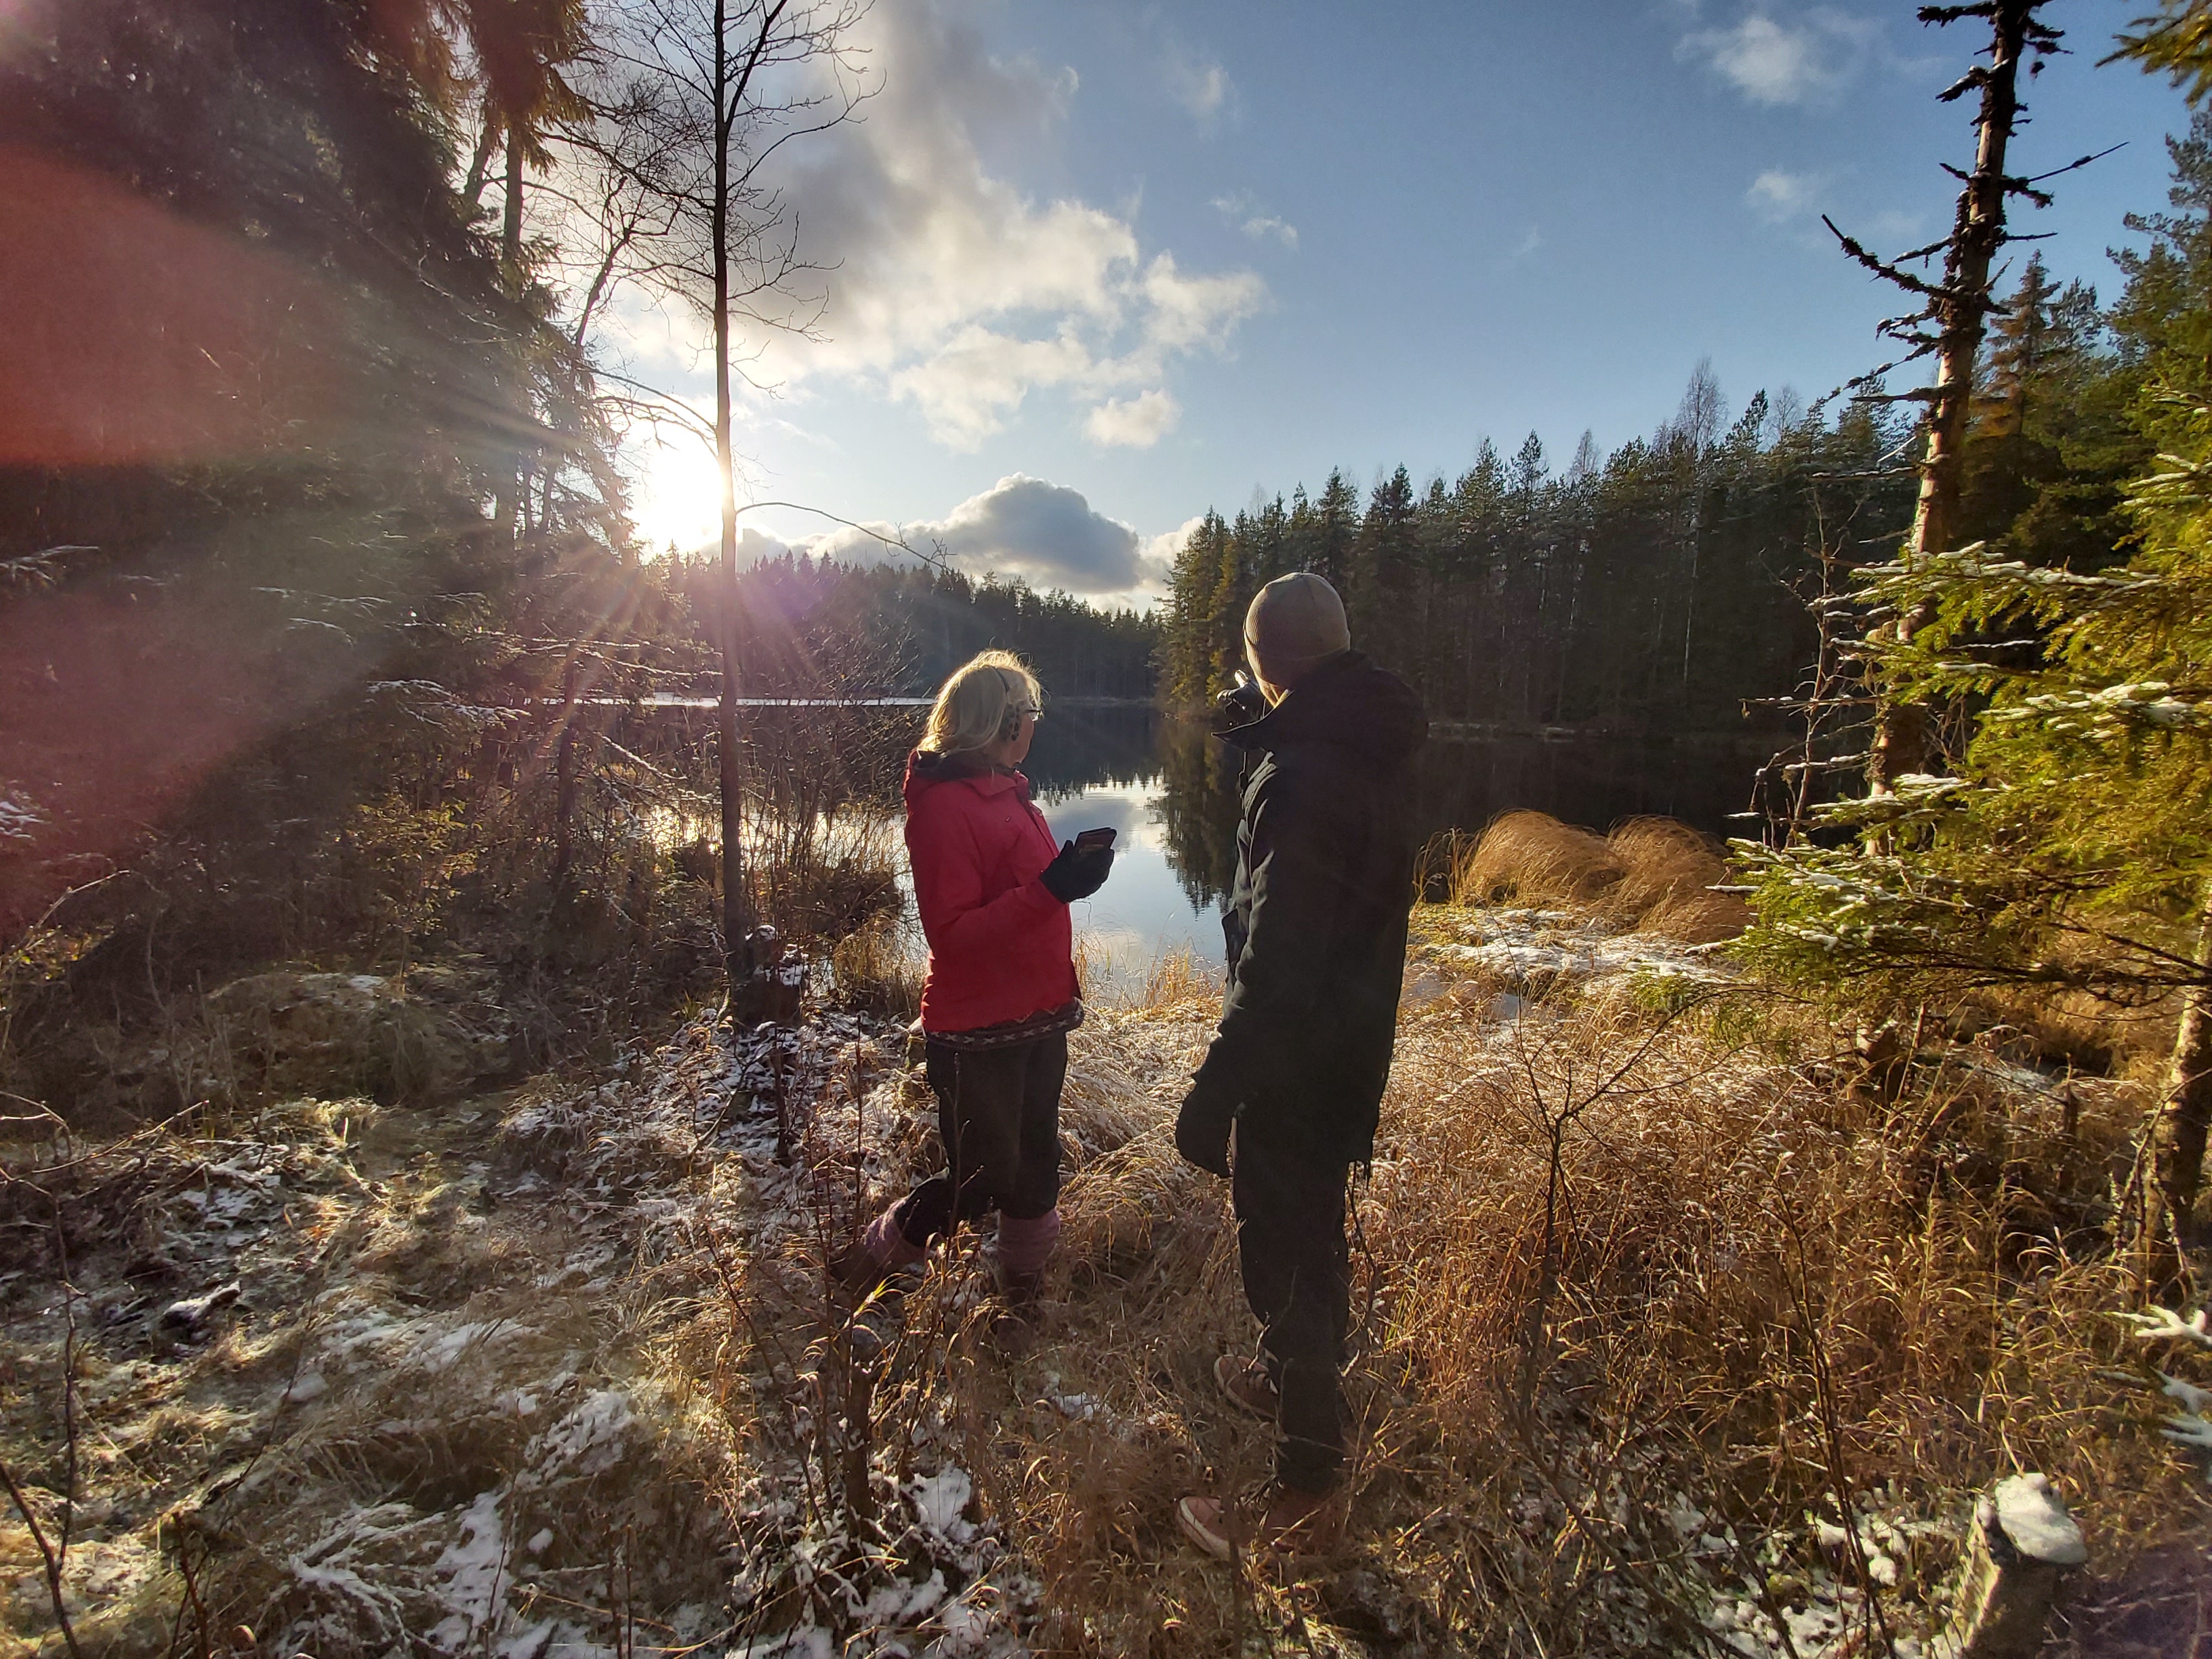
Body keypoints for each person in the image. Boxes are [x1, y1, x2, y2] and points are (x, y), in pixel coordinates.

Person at [1171, 573, 1428, 1561]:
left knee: (1283, 1254)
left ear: (1268, 661)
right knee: (1314, 1230)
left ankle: (1307, 1493)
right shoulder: (1358, 737)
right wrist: (1267, 738)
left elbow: (1278, 959)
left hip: (1294, 1055)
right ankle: (1303, 1385)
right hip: (1347, 1039)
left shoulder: (1307, 770)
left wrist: (1213, 1087)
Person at [831, 651, 1115, 1339]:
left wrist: (1068, 874)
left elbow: (1025, 895)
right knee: (982, 1179)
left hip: (1039, 1014)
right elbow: (953, 934)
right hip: (975, 1030)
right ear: (1002, 722)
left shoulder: (1010, 793)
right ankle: (871, 1258)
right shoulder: (944, 809)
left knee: (1036, 1167)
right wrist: (1053, 888)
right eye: (1029, 714)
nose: (1035, 726)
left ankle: (1022, 1303)